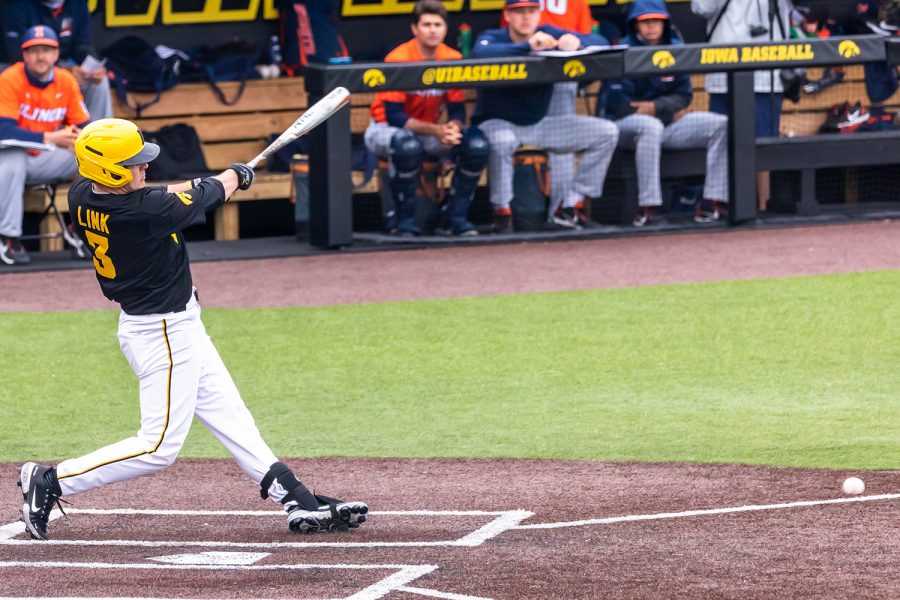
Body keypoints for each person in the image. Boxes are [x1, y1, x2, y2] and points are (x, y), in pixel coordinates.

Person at [17, 118, 368, 541]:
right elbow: (198, 196)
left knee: (230, 414)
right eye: (134, 163)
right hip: (161, 332)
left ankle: (294, 497)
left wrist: (225, 179)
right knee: (159, 446)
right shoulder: (143, 211)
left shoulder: (83, 192)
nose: (144, 168)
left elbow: (170, 195)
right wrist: (234, 175)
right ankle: (52, 481)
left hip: (175, 324)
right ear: (110, 170)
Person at [472, 0, 619, 233]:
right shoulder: (494, 36)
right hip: (499, 123)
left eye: (531, 11)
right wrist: (527, 46)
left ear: (539, 14)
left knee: (606, 133)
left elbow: (600, 42)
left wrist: (577, 41)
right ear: (508, 16)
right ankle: (502, 212)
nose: (526, 17)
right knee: (503, 142)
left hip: (539, 124)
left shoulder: (548, 33)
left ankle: (569, 205)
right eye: (519, 12)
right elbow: (480, 51)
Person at [364, 0, 490, 236]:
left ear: (444, 28)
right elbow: (394, 117)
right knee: (406, 144)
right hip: (384, 129)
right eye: (427, 24)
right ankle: (405, 221)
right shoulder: (399, 57)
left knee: (475, 144)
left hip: (427, 131)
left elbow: (456, 108)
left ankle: (454, 218)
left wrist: (453, 128)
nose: (433, 30)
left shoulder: (451, 58)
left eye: (438, 24)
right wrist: (437, 131)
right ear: (415, 29)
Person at [599, 0, 728, 225]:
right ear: (635, 24)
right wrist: (666, 110)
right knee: (650, 126)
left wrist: (656, 107)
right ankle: (649, 207)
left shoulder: (674, 48)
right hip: (625, 128)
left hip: (665, 124)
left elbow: (684, 96)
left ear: (665, 23)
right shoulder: (622, 49)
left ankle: (711, 202)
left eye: (656, 21)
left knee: (721, 124)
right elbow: (620, 104)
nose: (651, 26)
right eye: (645, 21)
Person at [691, 0, 793, 212]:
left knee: (764, 142)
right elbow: (701, 7)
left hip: (767, 73)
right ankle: (721, 204)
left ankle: (764, 205)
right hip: (724, 73)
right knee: (723, 140)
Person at [0, 25, 90, 266]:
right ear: (25, 55)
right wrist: (51, 138)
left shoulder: (65, 81)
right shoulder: (9, 79)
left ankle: (80, 229)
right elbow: (4, 132)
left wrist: (75, 139)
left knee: (92, 156)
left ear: (56, 54)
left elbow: (84, 125)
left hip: (44, 159)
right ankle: (9, 237)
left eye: (46, 50)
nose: (41, 56)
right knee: (13, 158)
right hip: (8, 159)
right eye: (34, 51)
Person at [1, 0, 113, 122]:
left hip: (59, 66)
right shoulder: (15, 6)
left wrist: (93, 66)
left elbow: (82, 44)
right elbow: (17, 53)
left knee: (98, 81)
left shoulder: (77, 4)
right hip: (15, 68)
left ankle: (100, 135)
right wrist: (62, 69)